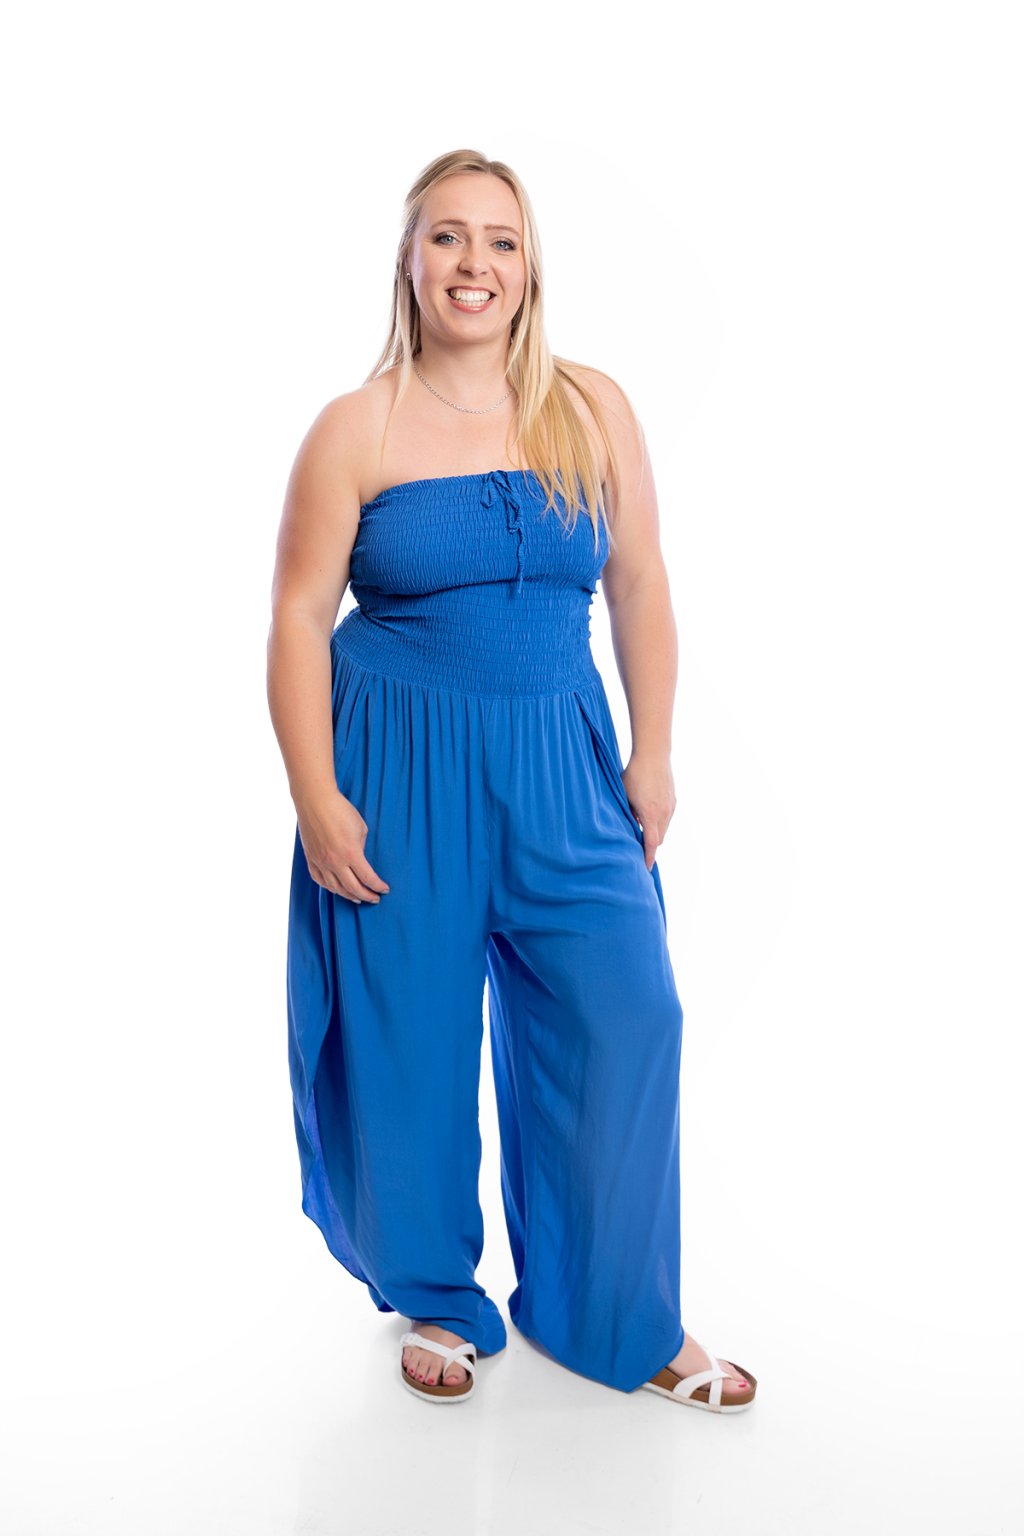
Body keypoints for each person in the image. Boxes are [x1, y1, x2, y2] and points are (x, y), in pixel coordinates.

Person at [266, 148, 757, 1412]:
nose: (472, 263)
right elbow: (299, 615)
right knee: (407, 1045)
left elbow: (639, 581)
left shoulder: (590, 407)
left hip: (562, 763)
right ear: (408, 261)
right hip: (400, 768)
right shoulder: (356, 427)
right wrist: (315, 795)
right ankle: (435, 1293)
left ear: (529, 266)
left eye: (499, 239)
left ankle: (617, 1312)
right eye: (446, 237)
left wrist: (653, 750)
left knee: (628, 1015)